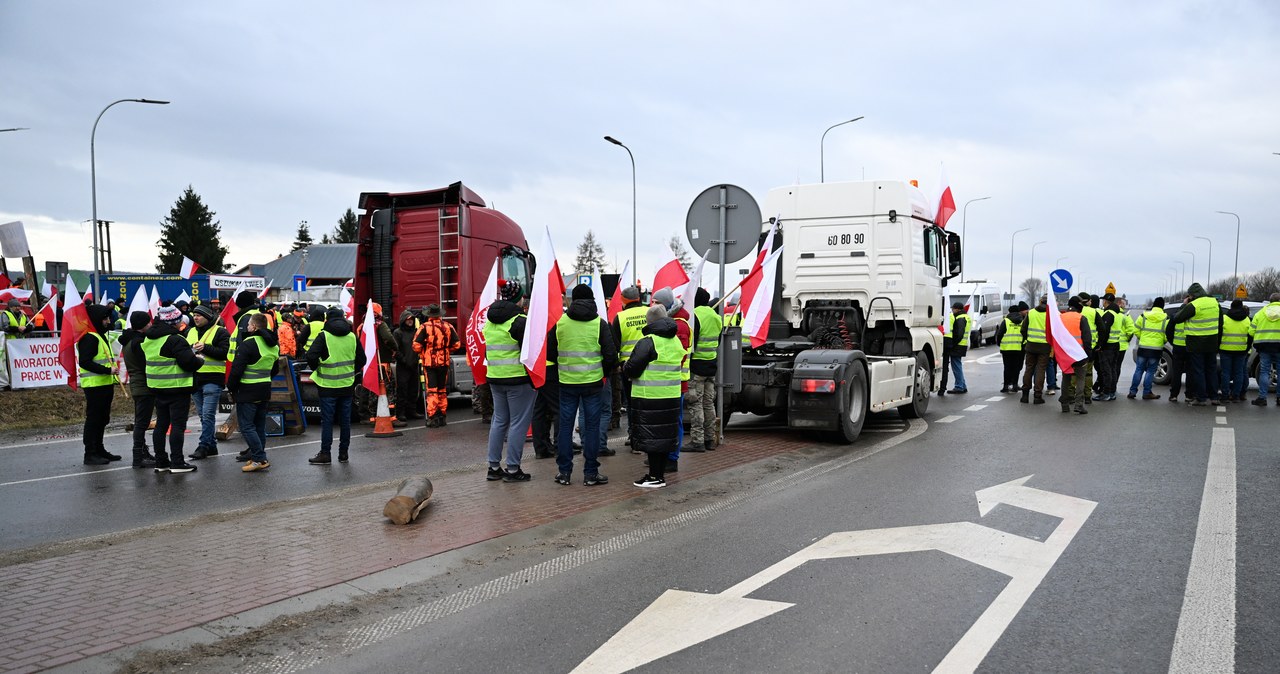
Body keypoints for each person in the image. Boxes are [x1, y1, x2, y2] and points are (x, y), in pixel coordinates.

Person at [548, 283, 618, 486]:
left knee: (565, 427)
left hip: (567, 382)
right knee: (592, 427)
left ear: (574, 300)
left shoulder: (561, 323)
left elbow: (550, 353)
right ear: (592, 300)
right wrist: (603, 373)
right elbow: (611, 355)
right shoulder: (599, 324)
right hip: (593, 383)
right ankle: (590, 473)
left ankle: (564, 472)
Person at [483, 280, 536, 482]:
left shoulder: (490, 321)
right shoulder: (520, 321)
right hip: (517, 379)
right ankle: (513, 469)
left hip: (495, 377)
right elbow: (530, 352)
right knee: (518, 423)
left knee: (499, 421)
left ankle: (493, 467)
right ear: (519, 298)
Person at [624, 305, 683, 488]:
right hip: (671, 396)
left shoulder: (648, 341)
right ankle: (659, 475)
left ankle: (654, 477)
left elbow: (633, 368)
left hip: (649, 397)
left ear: (649, 322)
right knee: (663, 438)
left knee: (651, 438)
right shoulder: (675, 341)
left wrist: (625, 367)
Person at [143, 305, 206, 474]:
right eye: (179, 321)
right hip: (177, 387)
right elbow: (188, 363)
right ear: (173, 322)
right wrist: (199, 359)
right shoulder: (175, 339)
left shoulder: (150, 338)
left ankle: (161, 461)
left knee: (161, 425)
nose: (181, 323)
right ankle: (177, 462)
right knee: (177, 426)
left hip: (157, 387)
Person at [306, 307, 363, 463]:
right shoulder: (352, 336)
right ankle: (343, 453)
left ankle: (325, 453)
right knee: (345, 421)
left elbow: (311, 356)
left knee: (327, 421)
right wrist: (351, 371)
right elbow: (362, 359)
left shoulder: (324, 336)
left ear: (327, 319)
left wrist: (317, 368)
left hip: (327, 386)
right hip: (346, 385)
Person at [228, 313, 279, 471]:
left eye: (249, 324)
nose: (247, 327)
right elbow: (275, 369)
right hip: (264, 389)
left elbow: (237, 370)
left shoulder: (248, 343)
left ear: (254, 327)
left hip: (247, 390)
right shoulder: (273, 345)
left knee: (247, 426)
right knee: (259, 426)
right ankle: (257, 456)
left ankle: (259, 458)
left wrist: (231, 387)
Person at [650, 287, 690, 471]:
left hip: (676, 381)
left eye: (657, 302)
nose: (653, 305)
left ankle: (672, 458)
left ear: (666, 304)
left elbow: (678, 355)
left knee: (675, 421)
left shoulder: (679, 325)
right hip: (667, 381)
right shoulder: (669, 322)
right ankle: (662, 455)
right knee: (665, 421)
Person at [1167, 283, 1223, 406]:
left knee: (1198, 371)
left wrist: (1184, 304)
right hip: (1212, 342)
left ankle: (1201, 398)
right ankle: (1214, 397)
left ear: (1193, 295)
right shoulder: (1214, 302)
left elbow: (1177, 318)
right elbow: (1220, 323)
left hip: (1196, 343)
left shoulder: (1194, 305)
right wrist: (1218, 342)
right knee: (1211, 370)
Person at [186, 305, 230, 460]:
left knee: (208, 414)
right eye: (194, 315)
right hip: (195, 379)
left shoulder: (220, 332)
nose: (195, 318)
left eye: (199, 315)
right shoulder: (190, 331)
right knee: (202, 416)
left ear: (207, 317)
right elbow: (184, 351)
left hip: (213, 378)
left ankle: (203, 446)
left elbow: (224, 353)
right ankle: (211, 446)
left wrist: (205, 348)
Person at [79, 304, 121, 465]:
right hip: (94, 385)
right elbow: (85, 362)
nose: (108, 321)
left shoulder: (100, 335)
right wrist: (107, 370)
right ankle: (90, 453)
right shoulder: (89, 338)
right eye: (105, 318)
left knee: (103, 418)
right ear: (96, 319)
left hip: (104, 383)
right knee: (94, 419)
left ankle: (99, 448)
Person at [117, 311, 158, 468]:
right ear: (144, 325)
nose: (151, 324)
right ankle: (138, 456)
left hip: (137, 385)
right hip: (144, 386)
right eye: (149, 322)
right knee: (142, 423)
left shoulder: (129, 340)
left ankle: (142, 452)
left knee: (141, 421)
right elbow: (146, 364)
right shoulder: (138, 343)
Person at [612, 286, 648, 452]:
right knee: (646, 402)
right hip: (649, 365)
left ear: (624, 301)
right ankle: (645, 435)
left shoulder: (620, 318)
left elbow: (615, 345)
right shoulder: (649, 312)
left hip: (628, 367)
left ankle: (633, 435)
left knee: (632, 403)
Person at [687, 287, 723, 451]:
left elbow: (691, 344)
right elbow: (718, 341)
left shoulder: (694, 315)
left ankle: (697, 441)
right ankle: (710, 439)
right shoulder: (716, 316)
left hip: (696, 367)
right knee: (708, 404)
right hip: (711, 366)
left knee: (695, 403)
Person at [414, 304, 460, 427]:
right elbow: (457, 344)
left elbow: (416, 346)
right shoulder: (448, 326)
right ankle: (442, 416)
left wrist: (425, 351)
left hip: (430, 363)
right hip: (444, 362)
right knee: (442, 390)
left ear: (429, 315)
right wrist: (445, 350)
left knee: (432, 390)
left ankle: (433, 417)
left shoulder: (424, 327)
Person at [1126, 298, 1168, 400]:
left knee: (1139, 369)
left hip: (1143, 347)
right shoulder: (1166, 318)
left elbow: (1136, 329)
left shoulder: (1143, 316)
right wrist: (1163, 341)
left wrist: (1142, 338)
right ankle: (1146, 393)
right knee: (1150, 371)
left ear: (1153, 305)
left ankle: (1132, 391)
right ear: (1162, 306)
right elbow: (1167, 334)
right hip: (1156, 349)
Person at [1057, 296, 1094, 414]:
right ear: (1078, 305)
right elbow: (1087, 339)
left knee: (1066, 379)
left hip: (1065, 354)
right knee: (1080, 379)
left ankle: (1064, 404)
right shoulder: (1081, 318)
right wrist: (1088, 354)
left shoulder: (1060, 317)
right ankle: (1078, 405)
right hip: (1079, 354)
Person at [1216, 299, 1253, 402]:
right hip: (1241, 350)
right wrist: (1247, 348)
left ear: (1231, 306)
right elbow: (1250, 336)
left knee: (1225, 373)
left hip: (1225, 349)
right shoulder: (1247, 320)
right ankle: (1236, 396)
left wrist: (1218, 347)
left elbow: (1219, 334)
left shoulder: (1225, 318)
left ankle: (1225, 395)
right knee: (1239, 373)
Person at [392, 309, 423, 422]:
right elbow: (395, 349)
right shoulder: (398, 333)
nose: (410, 321)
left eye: (411, 319)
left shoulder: (416, 332)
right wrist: (403, 360)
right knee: (402, 390)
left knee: (414, 389)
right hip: (403, 366)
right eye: (408, 319)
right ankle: (400, 412)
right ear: (403, 320)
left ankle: (412, 411)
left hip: (414, 365)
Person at [1092, 293, 1123, 402]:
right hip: (1116, 344)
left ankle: (1106, 393)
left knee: (1106, 371)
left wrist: (1100, 345)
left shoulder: (1108, 314)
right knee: (1113, 369)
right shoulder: (1118, 314)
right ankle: (1112, 392)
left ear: (1105, 301)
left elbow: (1104, 331)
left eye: (1103, 301)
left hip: (1107, 346)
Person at [1250, 292, 1280, 406]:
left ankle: (1262, 398)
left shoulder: (1260, 313)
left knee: (1264, 372)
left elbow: (1251, 331)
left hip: (1264, 346)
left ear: (1270, 301)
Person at [1020, 296, 1051, 404]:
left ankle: (1025, 395)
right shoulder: (1050, 314)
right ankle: (1037, 396)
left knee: (1029, 369)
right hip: (1044, 346)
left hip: (1031, 345)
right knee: (1040, 370)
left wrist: (1027, 339)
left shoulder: (1031, 312)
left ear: (1040, 301)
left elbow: (1023, 329)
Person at [995, 302, 1026, 393]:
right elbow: (1025, 334)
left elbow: (1000, 334)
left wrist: (999, 343)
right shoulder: (1023, 321)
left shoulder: (1006, 321)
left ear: (1009, 311)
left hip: (1006, 348)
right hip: (1019, 348)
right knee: (1016, 368)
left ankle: (1006, 386)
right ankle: (1015, 386)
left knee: (1007, 367)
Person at [944, 301, 969, 394]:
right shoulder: (965, 317)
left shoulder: (960, 318)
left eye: (953, 309)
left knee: (956, 366)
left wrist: (953, 344)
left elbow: (959, 334)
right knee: (958, 365)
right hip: (962, 345)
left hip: (958, 345)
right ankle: (962, 385)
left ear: (957, 309)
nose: (952, 310)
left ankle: (959, 386)